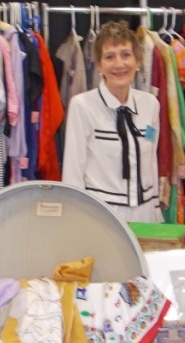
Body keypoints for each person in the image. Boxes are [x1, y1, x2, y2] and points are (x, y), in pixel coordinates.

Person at [62, 21, 163, 223]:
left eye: (126, 55)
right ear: (99, 65)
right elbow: (73, 172)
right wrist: (74, 221)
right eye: (110, 57)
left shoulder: (150, 104)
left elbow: (150, 160)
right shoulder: (82, 106)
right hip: (101, 215)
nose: (119, 64)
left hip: (145, 213)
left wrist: (156, 208)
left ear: (138, 61)